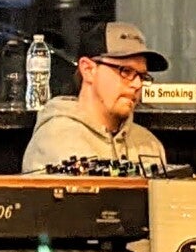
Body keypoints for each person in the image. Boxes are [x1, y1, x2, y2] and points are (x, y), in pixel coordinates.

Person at [21, 21, 170, 174]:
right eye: (125, 71)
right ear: (88, 69)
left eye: (142, 76)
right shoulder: (56, 141)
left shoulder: (150, 146)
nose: (137, 84)